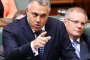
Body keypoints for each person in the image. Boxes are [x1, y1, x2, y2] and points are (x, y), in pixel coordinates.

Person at [2, 0, 79, 60]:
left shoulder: (58, 26)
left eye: (43, 16)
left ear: (48, 14)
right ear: (27, 11)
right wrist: (32, 46)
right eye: (35, 14)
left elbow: (69, 54)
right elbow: (10, 56)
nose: (38, 20)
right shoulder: (11, 29)